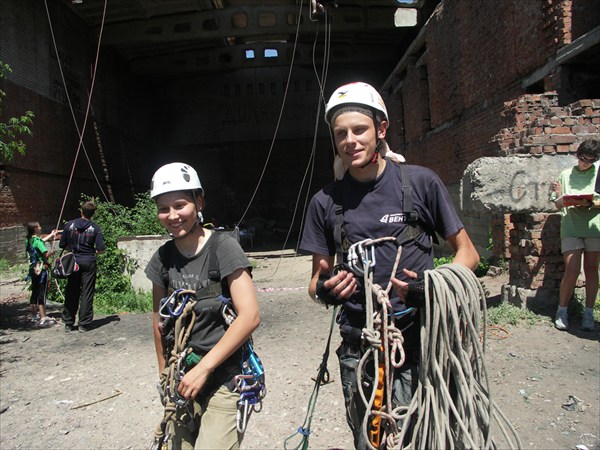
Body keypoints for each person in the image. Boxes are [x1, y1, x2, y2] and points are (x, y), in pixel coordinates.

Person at [299, 81, 479, 449]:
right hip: (359, 346)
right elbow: (317, 278)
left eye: (359, 130)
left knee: (431, 436)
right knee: (370, 441)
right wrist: (326, 289)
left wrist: (431, 286)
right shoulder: (324, 202)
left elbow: (468, 254)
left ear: (380, 130)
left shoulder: (420, 184)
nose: (350, 140)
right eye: (341, 134)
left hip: (421, 341)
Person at [145, 162, 260, 449]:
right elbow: (159, 321)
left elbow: (250, 316)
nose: (172, 216)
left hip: (223, 375)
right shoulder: (162, 259)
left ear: (199, 202)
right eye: (163, 208)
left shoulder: (223, 248)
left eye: (180, 205)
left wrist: (205, 368)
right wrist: (164, 376)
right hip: (182, 376)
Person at [550, 139, 600, 331]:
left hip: (593, 227)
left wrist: (589, 203)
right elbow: (557, 203)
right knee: (571, 270)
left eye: (589, 159)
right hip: (571, 225)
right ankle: (562, 311)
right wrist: (560, 196)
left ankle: (588, 313)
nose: (585, 162)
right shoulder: (565, 174)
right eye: (582, 158)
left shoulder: (598, 174)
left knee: (591, 270)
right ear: (577, 155)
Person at [59, 200, 105, 332]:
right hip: (89, 261)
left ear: (81, 211)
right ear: (93, 214)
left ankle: (68, 322)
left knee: (71, 291)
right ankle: (83, 324)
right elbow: (101, 249)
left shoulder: (69, 225)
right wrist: (92, 251)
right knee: (87, 291)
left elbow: (62, 245)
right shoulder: (95, 228)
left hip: (73, 261)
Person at [25, 222, 57, 327]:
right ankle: (43, 317)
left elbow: (40, 242)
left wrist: (51, 235)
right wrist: (51, 252)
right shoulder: (38, 241)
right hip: (41, 269)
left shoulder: (29, 240)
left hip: (33, 269)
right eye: (39, 226)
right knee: (41, 293)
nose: (40, 227)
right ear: (35, 229)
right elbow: (45, 254)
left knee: (34, 292)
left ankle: (34, 315)